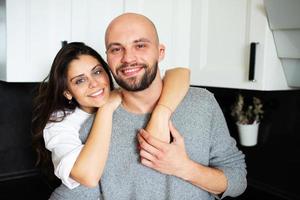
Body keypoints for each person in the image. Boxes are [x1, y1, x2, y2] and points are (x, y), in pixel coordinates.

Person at [82, 12, 246, 199]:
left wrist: (185, 168)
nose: (128, 58)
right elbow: (80, 190)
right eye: (116, 49)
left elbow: (238, 178)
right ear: (108, 59)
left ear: (160, 52)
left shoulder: (202, 103)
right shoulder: (95, 124)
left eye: (140, 45)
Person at [31, 42, 190, 199]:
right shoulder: (59, 124)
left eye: (97, 72)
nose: (94, 83)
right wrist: (105, 110)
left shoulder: (122, 91)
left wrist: (161, 114)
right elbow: (89, 176)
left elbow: (180, 73)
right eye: (80, 80)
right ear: (67, 93)